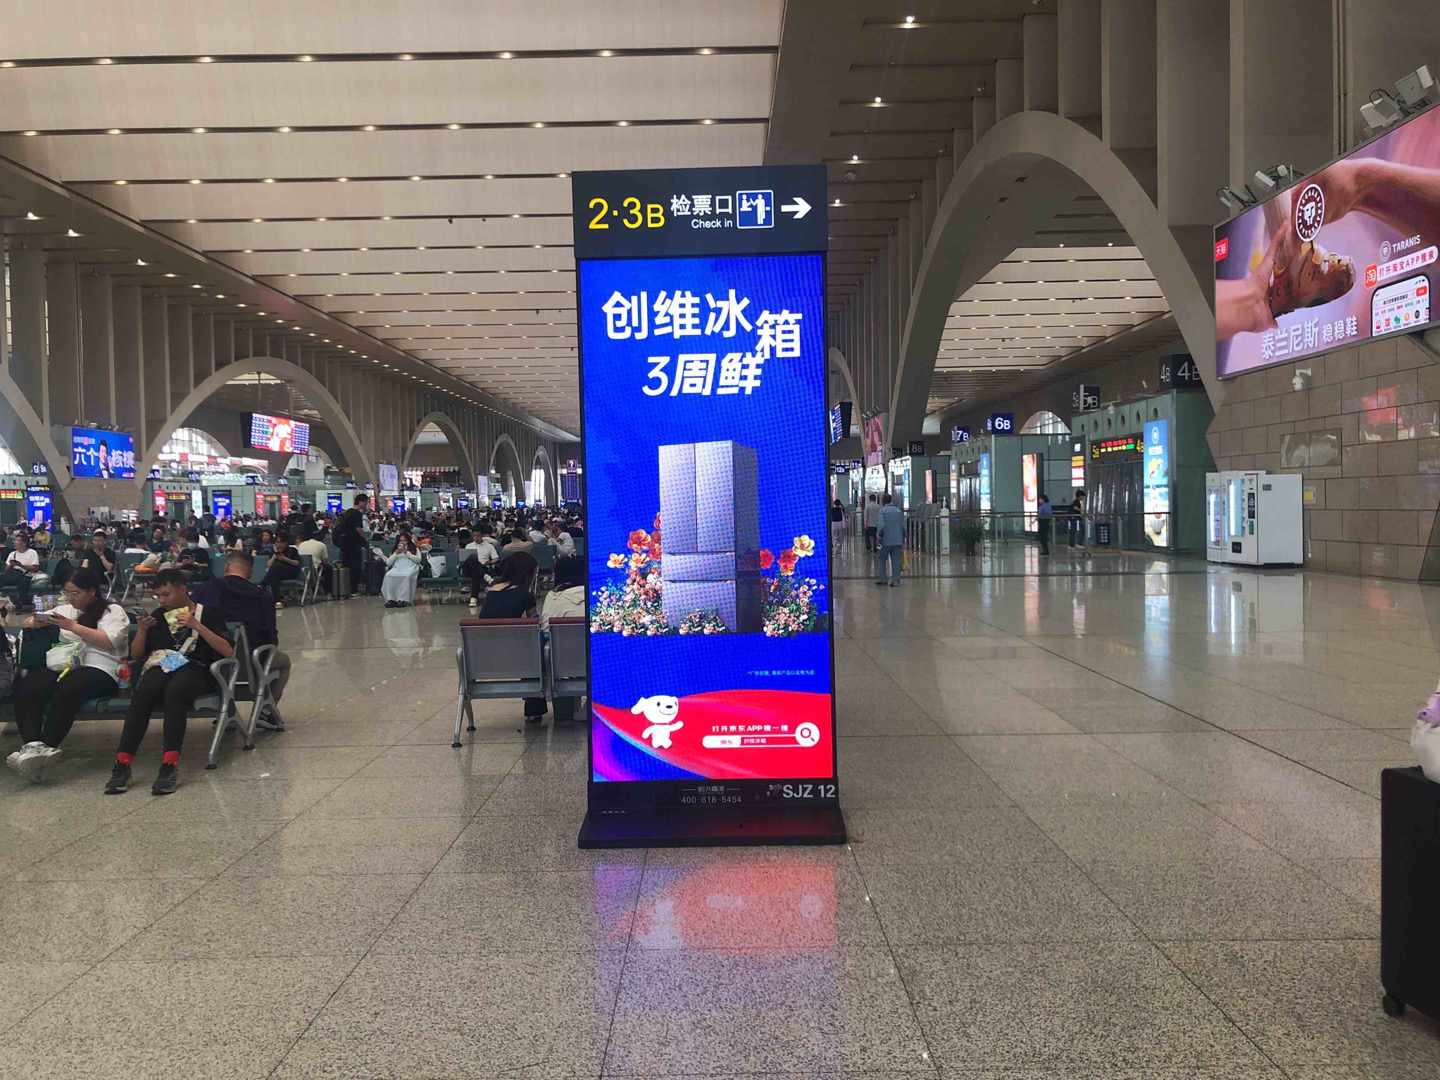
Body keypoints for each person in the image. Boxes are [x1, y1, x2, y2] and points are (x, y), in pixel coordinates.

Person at [105, 568, 234, 796]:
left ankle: (170, 764)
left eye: (166, 594)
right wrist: (143, 630)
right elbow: (136, 654)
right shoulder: (158, 616)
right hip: (163, 664)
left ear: (183, 590)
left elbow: (228, 651)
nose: (161, 601)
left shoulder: (208, 613)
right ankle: (123, 762)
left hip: (197, 667)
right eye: (158, 596)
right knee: (145, 690)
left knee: (176, 691)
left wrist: (196, 625)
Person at [5, 568, 130, 781]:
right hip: (63, 664)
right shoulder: (65, 609)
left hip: (101, 668)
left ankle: (44, 750)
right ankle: (33, 746)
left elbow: (110, 641)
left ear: (91, 591)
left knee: (67, 689)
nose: (71, 598)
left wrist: (73, 626)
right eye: (66, 592)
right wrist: (35, 622)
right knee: (29, 685)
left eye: (75, 593)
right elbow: (26, 623)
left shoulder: (112, 611)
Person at [193, 550, 290, 720]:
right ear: (250, 573)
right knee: (283, 662)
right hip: (249, 664)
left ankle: (227, 713)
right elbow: (271, 639)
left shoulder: (205, 589)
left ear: (227, 567)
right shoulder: (262, 596)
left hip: (209, 661)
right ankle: (265, 710)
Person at [479, 552, 545, 722]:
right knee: (536, 644)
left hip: (484, 656)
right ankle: (533, 705)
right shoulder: (525, 595)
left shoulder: (492, 592)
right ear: (527, 575)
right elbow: (534, 625)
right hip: (515, 658)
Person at [541, 556, 586, 722]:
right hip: (599, 661)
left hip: (563, 662)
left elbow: (545, 630)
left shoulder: (553, 597)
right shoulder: (599, 593)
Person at [334, 494, 369, 597]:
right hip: (354, 544)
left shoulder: (348, 512)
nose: (366, 505)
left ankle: (345, 588)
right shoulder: (357, 513)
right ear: (361, 501)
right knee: (355, 566)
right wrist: (365, 538)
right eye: (365, 502)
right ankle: (354, 589)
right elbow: (358, 528)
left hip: (345, 544)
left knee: (346, 565)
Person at [260, 530, 301, 607]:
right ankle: (278, 601)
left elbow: (297, 563)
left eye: (279, 542)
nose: (277, 544)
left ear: (285, 543)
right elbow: (269, 564)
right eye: (276, 542)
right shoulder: (274, 552)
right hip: (278, 574)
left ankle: (263, 583)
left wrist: (285, 559)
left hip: (290, 572)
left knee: (277, 566)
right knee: (274, 577)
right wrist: (275, 554)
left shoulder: (292, 550)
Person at [0, 533, 42, 607]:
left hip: (26, 575)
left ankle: (23, 603)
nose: (15, 542)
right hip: (13, 575)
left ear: (24, 543)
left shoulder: (32, 553)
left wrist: (21, 565)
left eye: (17, 541)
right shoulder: (12, 554)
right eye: (14, 540)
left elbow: (35, 567)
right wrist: (11, 564)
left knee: (23, 583)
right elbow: (6, 569)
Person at [382, 534, 423, 608]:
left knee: (407, 576)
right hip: (397, 568)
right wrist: (396, 553)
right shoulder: (395, 550)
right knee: (388, 575)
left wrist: (406, 553)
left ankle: (404, 599)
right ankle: (391, 599)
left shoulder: (414, 549)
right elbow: (388, 562)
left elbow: (418, 560)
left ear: (408, 541)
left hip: (410, 567)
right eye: (400, 541)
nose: (402, 542)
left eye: (404, 540)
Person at [875, 493, 904, 588]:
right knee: (896, 561)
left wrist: (878, 537)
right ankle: (895, 581)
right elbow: (903, 525)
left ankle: (883, 579)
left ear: (882, 501)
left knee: (881, 559)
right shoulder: (898, 511)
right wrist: (903, 536)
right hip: (897, 540)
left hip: (885, 540)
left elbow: (881, 525)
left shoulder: (882, 511)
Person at [296, 529, 330, 597]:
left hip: (301, 570)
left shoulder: (302, 544)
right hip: (314, 570)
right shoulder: (322, 545)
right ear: (321, 540)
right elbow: (325, 561)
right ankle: (328, 590)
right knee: (328, 569)